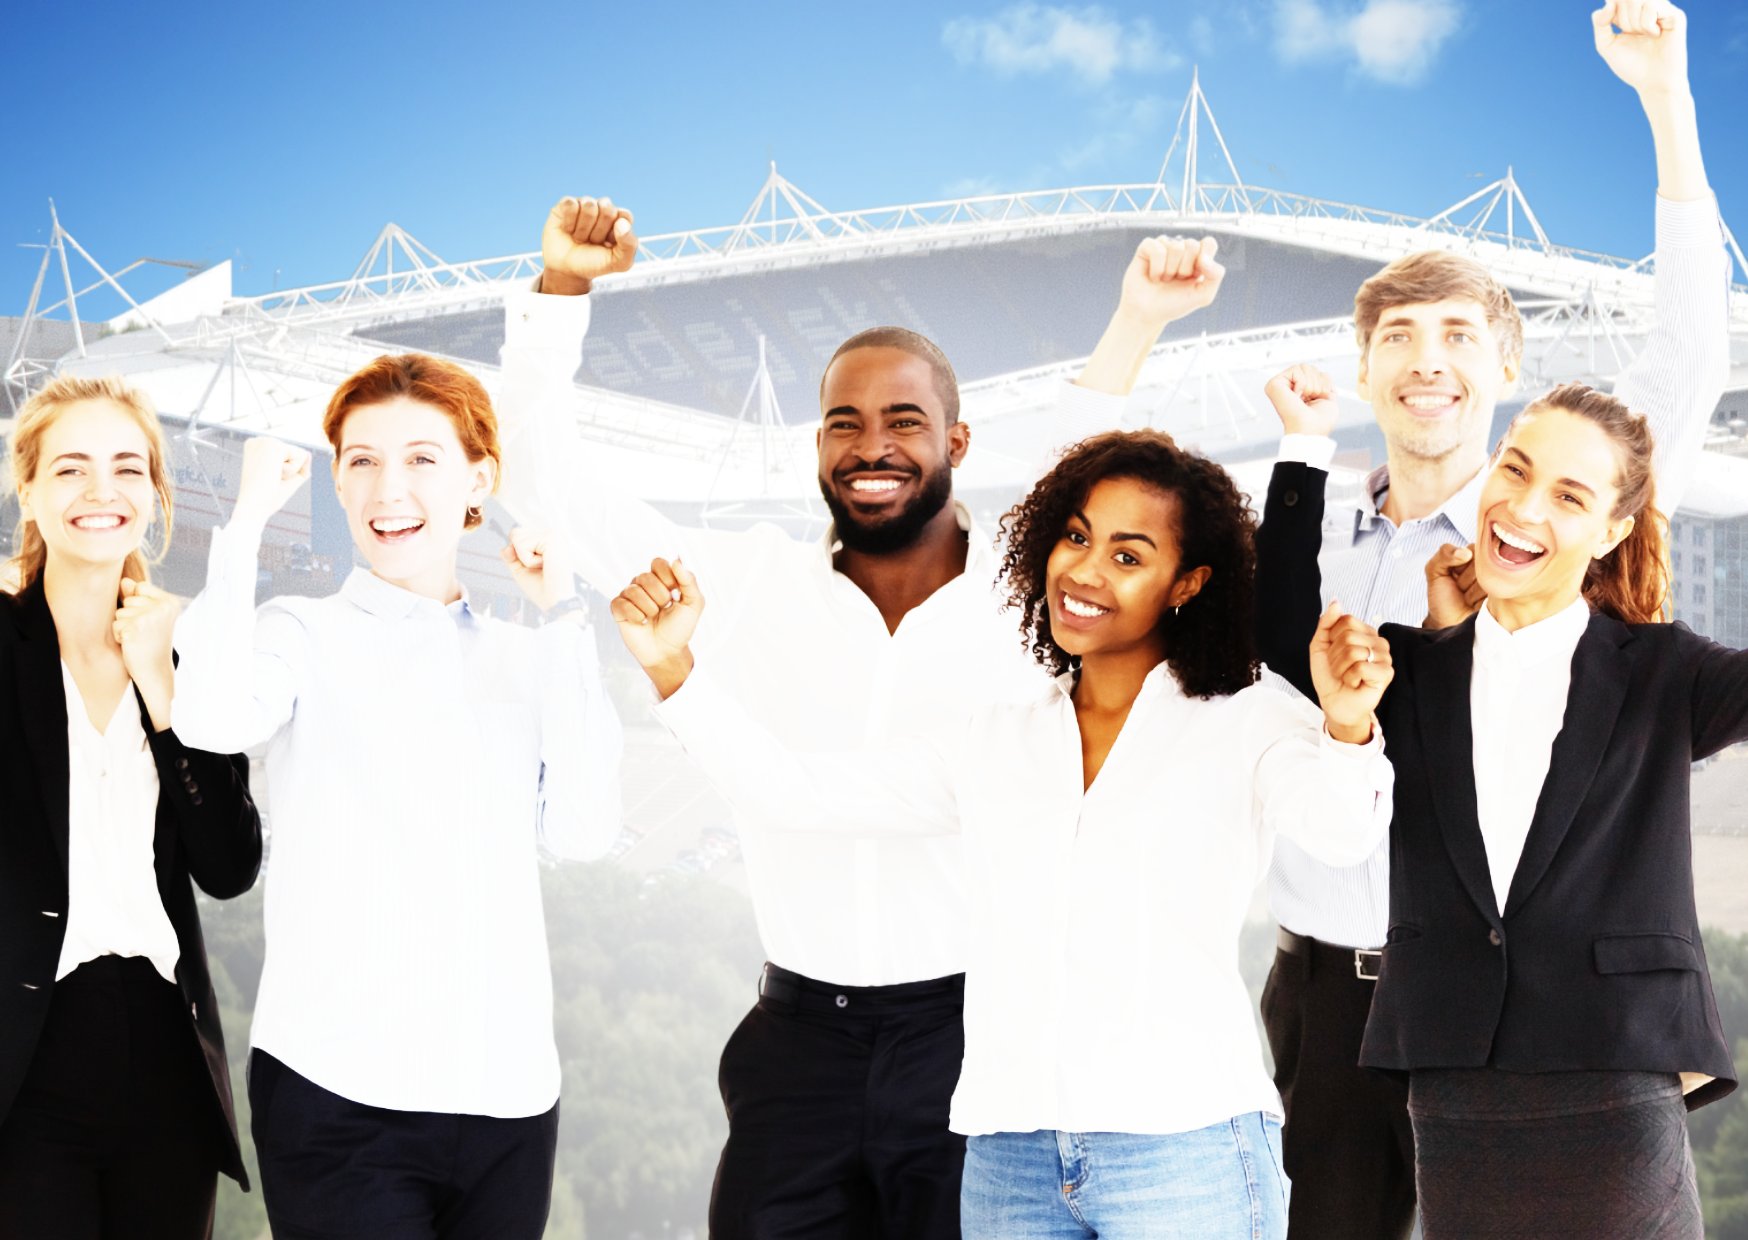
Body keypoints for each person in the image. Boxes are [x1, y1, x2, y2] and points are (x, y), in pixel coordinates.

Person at [494, 197, 1223, 1237]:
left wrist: (1136, 320)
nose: (869, 446)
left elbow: (1086, 452)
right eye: (843, 422)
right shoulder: (741, 584)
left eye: (902, 421)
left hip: (974, 1037)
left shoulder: (1033, 602)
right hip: (798, 1046)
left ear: (958, 440)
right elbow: (538, 476)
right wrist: (562, 288)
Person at [611, 430, 1397, 1238]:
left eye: (1129, 557)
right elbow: (798, 796)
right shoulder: (999, 735)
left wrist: (1345, 720)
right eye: (1077, 537)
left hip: (1184, 1147)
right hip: (1010, 1155)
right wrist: (675, 671)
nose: (1084, 571)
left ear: (1188, 582)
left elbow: (1341, 833)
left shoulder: (1247, 713)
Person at [1248, 5, 1731, 1234]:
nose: (1427, 360)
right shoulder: (1309, 554)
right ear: (1361, 369)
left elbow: (1687, 344)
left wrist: (1666, 104)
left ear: (1505, 363)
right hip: (1332, 1010)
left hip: (1537, 1034)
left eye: (1459, 335)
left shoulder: (1559, 519)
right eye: (1397, 338)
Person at [169, 353, 624, 1240]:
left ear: (477, 480)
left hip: (508, 1098)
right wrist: (248, 518)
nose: (389, 488)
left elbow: (585, 829)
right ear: (337, 482)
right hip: (338, 1095)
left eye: (422, 458)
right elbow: (212, 718)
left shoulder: (530, 657)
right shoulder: (297, 632)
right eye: (362, 460)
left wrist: (564, 612)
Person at [1271, 380, 1742, 1235]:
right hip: (1454, 1093)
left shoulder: (1666, 671)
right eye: (1514, 469)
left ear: (1613, 531)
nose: (1523, 507)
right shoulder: (1402, 671)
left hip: (1612, 1078)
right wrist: (1345, 723)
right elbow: (1340, 834)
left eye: (1569, 496)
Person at [0, 374, 262, 1238]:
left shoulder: (189, 655)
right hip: (24, 1056)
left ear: (154, 494)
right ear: (27, 490)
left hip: (166, 1056)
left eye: (126, 467)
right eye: (70, 469)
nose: (101, 491)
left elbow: (229, 868)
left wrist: (164, 694)